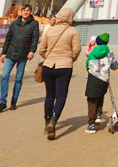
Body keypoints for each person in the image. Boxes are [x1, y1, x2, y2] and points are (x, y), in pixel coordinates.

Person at [37, 7, 81, 140]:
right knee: (61, 95)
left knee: (49, 95)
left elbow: (41, 49)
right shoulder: (72, 31)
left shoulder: (50, 30)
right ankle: (54, 121)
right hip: (64, 67)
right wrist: (70, 59)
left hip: (48, 66)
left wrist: (49, 58)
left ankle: (47, 122)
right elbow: (77, 49)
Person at [0, 4, 40, 113]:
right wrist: (3, 53)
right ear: (21, 12)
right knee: (4, 76)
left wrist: (32, 51)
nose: (26, 12)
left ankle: (14, 101)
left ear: (30, 12)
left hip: (23, 55)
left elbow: (35, 38)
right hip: (11, 54)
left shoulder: (34, 24)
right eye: (24, 10)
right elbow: (8, 38)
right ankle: (3, 102)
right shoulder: (14, 24)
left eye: (28, 10)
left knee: (18, 79)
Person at [83, 32, 118, 134]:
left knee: (92, 100)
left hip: (93, 79)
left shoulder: (92, 52)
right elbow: (115, 66)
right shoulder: (110, 53)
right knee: (100, 96)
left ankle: (91, 125)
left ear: (97, 43)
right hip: (104, 80)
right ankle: (98, 115)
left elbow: (87, 65)